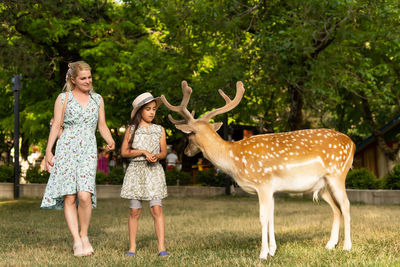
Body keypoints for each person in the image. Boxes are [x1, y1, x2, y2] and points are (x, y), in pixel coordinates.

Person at [41, 61, 115, 257]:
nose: (88, 81)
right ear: (73, 79)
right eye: (83, 78)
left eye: (89, 77)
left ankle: (84, 235)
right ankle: (76, 240)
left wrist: (110, 139)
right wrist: (49, 151)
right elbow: (56, 125)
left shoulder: (97, 99)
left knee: (84, 195)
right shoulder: (63, 98)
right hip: (66, 149)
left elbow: (102, 125)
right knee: (70, 196)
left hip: (88, 150)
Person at [120, 92, 169, 257]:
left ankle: (161, 248)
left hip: (154, 171)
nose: (152, 112)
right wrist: (142, 152)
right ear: (140, 110)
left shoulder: (159, 130)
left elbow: (164, 152)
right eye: (148, 109)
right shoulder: (131, 129)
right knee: (135, 211)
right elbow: (125, 152)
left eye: (154, 109)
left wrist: (157, 156)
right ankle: (132, 248)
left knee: (157, 209)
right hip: (136, 172)